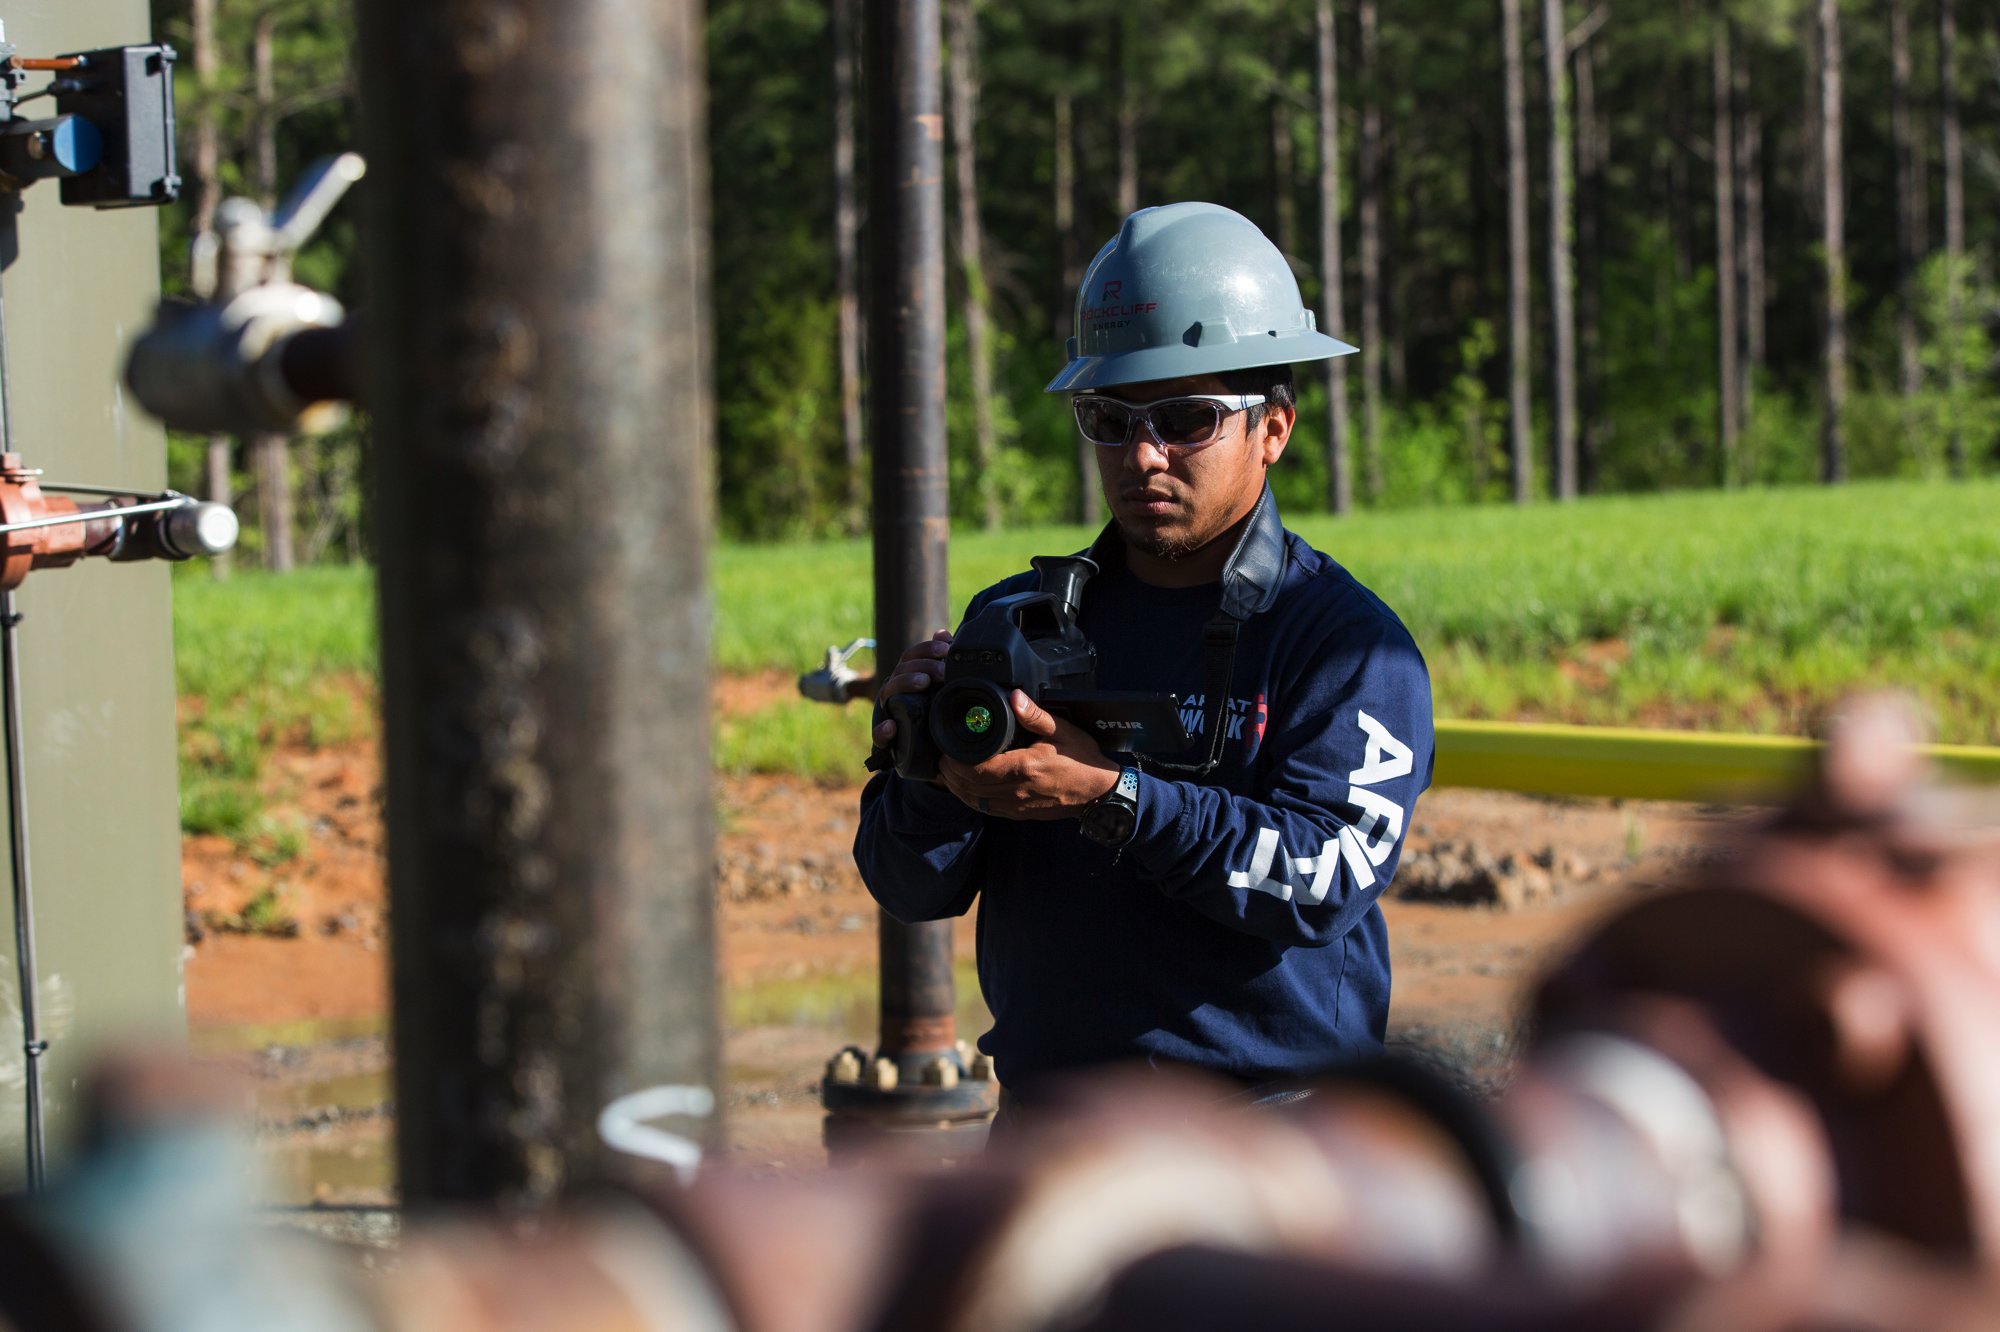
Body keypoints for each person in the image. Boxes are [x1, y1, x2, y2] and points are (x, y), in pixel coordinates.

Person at [853, 202, 1433, 1107]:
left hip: (1272, 1139)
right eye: (1109, 419)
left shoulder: (1346, 647)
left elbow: (1323, 881)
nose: (1144, 455)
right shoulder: (1016, 624)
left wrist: (1114, 795)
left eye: (1188, 418)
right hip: (1057, 1129)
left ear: (1273, 429)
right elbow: (910, 887)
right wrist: (928, 773)